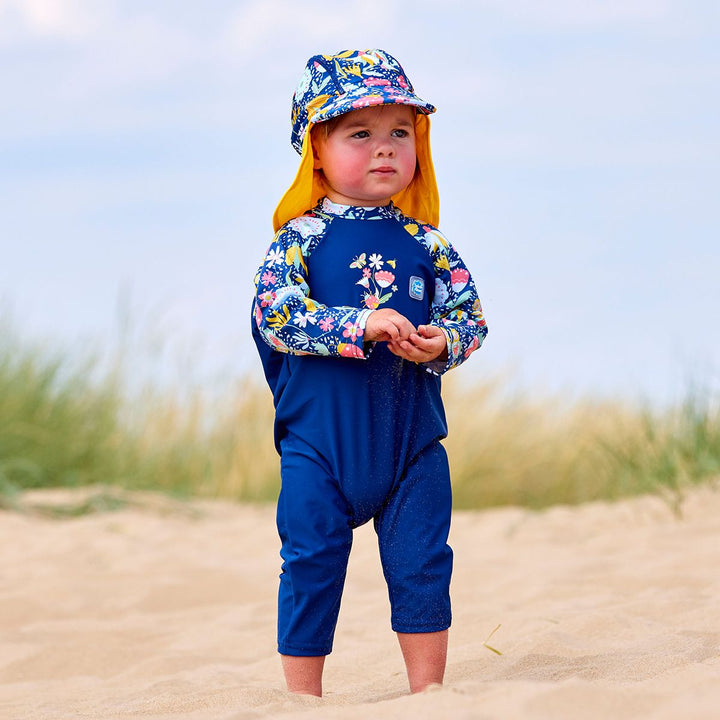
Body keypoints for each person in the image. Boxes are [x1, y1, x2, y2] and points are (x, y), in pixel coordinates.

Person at [251, 48, 487, 697]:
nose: (385, 149)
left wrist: (443, 343)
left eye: (400, 134)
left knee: (422, 563)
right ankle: (302, 698)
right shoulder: (297, 240)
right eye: (361, 133)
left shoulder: (429, 243)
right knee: (310, 561)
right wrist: (358, 324)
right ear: (317, 150)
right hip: (319, 445)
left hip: (410, 441)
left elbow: (471, 318)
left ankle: (428, 694)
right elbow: (277, 315)